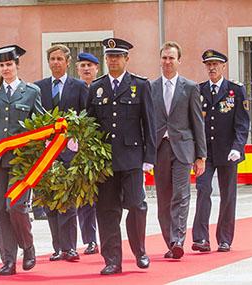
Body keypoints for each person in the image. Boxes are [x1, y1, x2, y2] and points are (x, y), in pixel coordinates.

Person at [86, 38, 156, 275]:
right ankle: (112, 259)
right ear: (105, 60)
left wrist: (149, 157)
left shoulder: (140, 85)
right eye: (109, 57)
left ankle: (140, 251)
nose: (113, 61)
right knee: (107, 211)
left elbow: (149, 123)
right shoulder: (96, 87)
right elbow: (89, 124)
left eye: (117, 56)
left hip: (133, 159)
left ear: (126, 59)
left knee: (137, 205)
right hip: (104, 162)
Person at [0, 44, 45, 275]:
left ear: (17, 65)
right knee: (0, 210)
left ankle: (28, 245)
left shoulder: (31, 91)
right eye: (2, 65)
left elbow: (41, 122)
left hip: (21, 160)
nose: (5, 68)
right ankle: (7, 260)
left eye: (9, 64)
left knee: (15, 206)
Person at [151, 42, 206, 260]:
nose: (167, 62)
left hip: (183, 149)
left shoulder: (190, 87)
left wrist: (201, 156)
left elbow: (197, 123)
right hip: (160, 148)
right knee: (163, 198)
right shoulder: (151, 87)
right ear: (160, 60)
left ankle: (178, 239)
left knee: (181, 195)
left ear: (178, 61)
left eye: (171, 58)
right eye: (164, 58)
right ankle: (170, 241)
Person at [192, 49, 250, 253]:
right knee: (203, 189)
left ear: (223, 66)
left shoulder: (235, 90)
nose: (212, 68)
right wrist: (195, 152)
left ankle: (225, 239)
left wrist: (237, 147)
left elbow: (242, 123)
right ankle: (200, 238)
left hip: (228, 151)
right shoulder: (198, 90)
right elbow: (194, 123)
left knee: (227, 195)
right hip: (205, 152)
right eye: (208, 64)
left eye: (216, 64)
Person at [35, 44, 88, 262]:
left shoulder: (79, 87)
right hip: (47, 153)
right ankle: (57, 247)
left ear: (67, 63)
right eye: (52, 59)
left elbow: (86, 118)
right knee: (50, 202)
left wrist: (79, 142)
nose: (56, 62)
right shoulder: (39, 88)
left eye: (59, 59)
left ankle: (70, 247)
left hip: (70, 153)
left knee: (68, 201)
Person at [75, 52, 100, 255]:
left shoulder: (103, 87)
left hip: (103, 149)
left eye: (90, 65)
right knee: (85, 199)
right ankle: (90, 240)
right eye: (82, 65)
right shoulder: (73, 90)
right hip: (80, 150)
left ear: (97, 69)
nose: (86, 69)